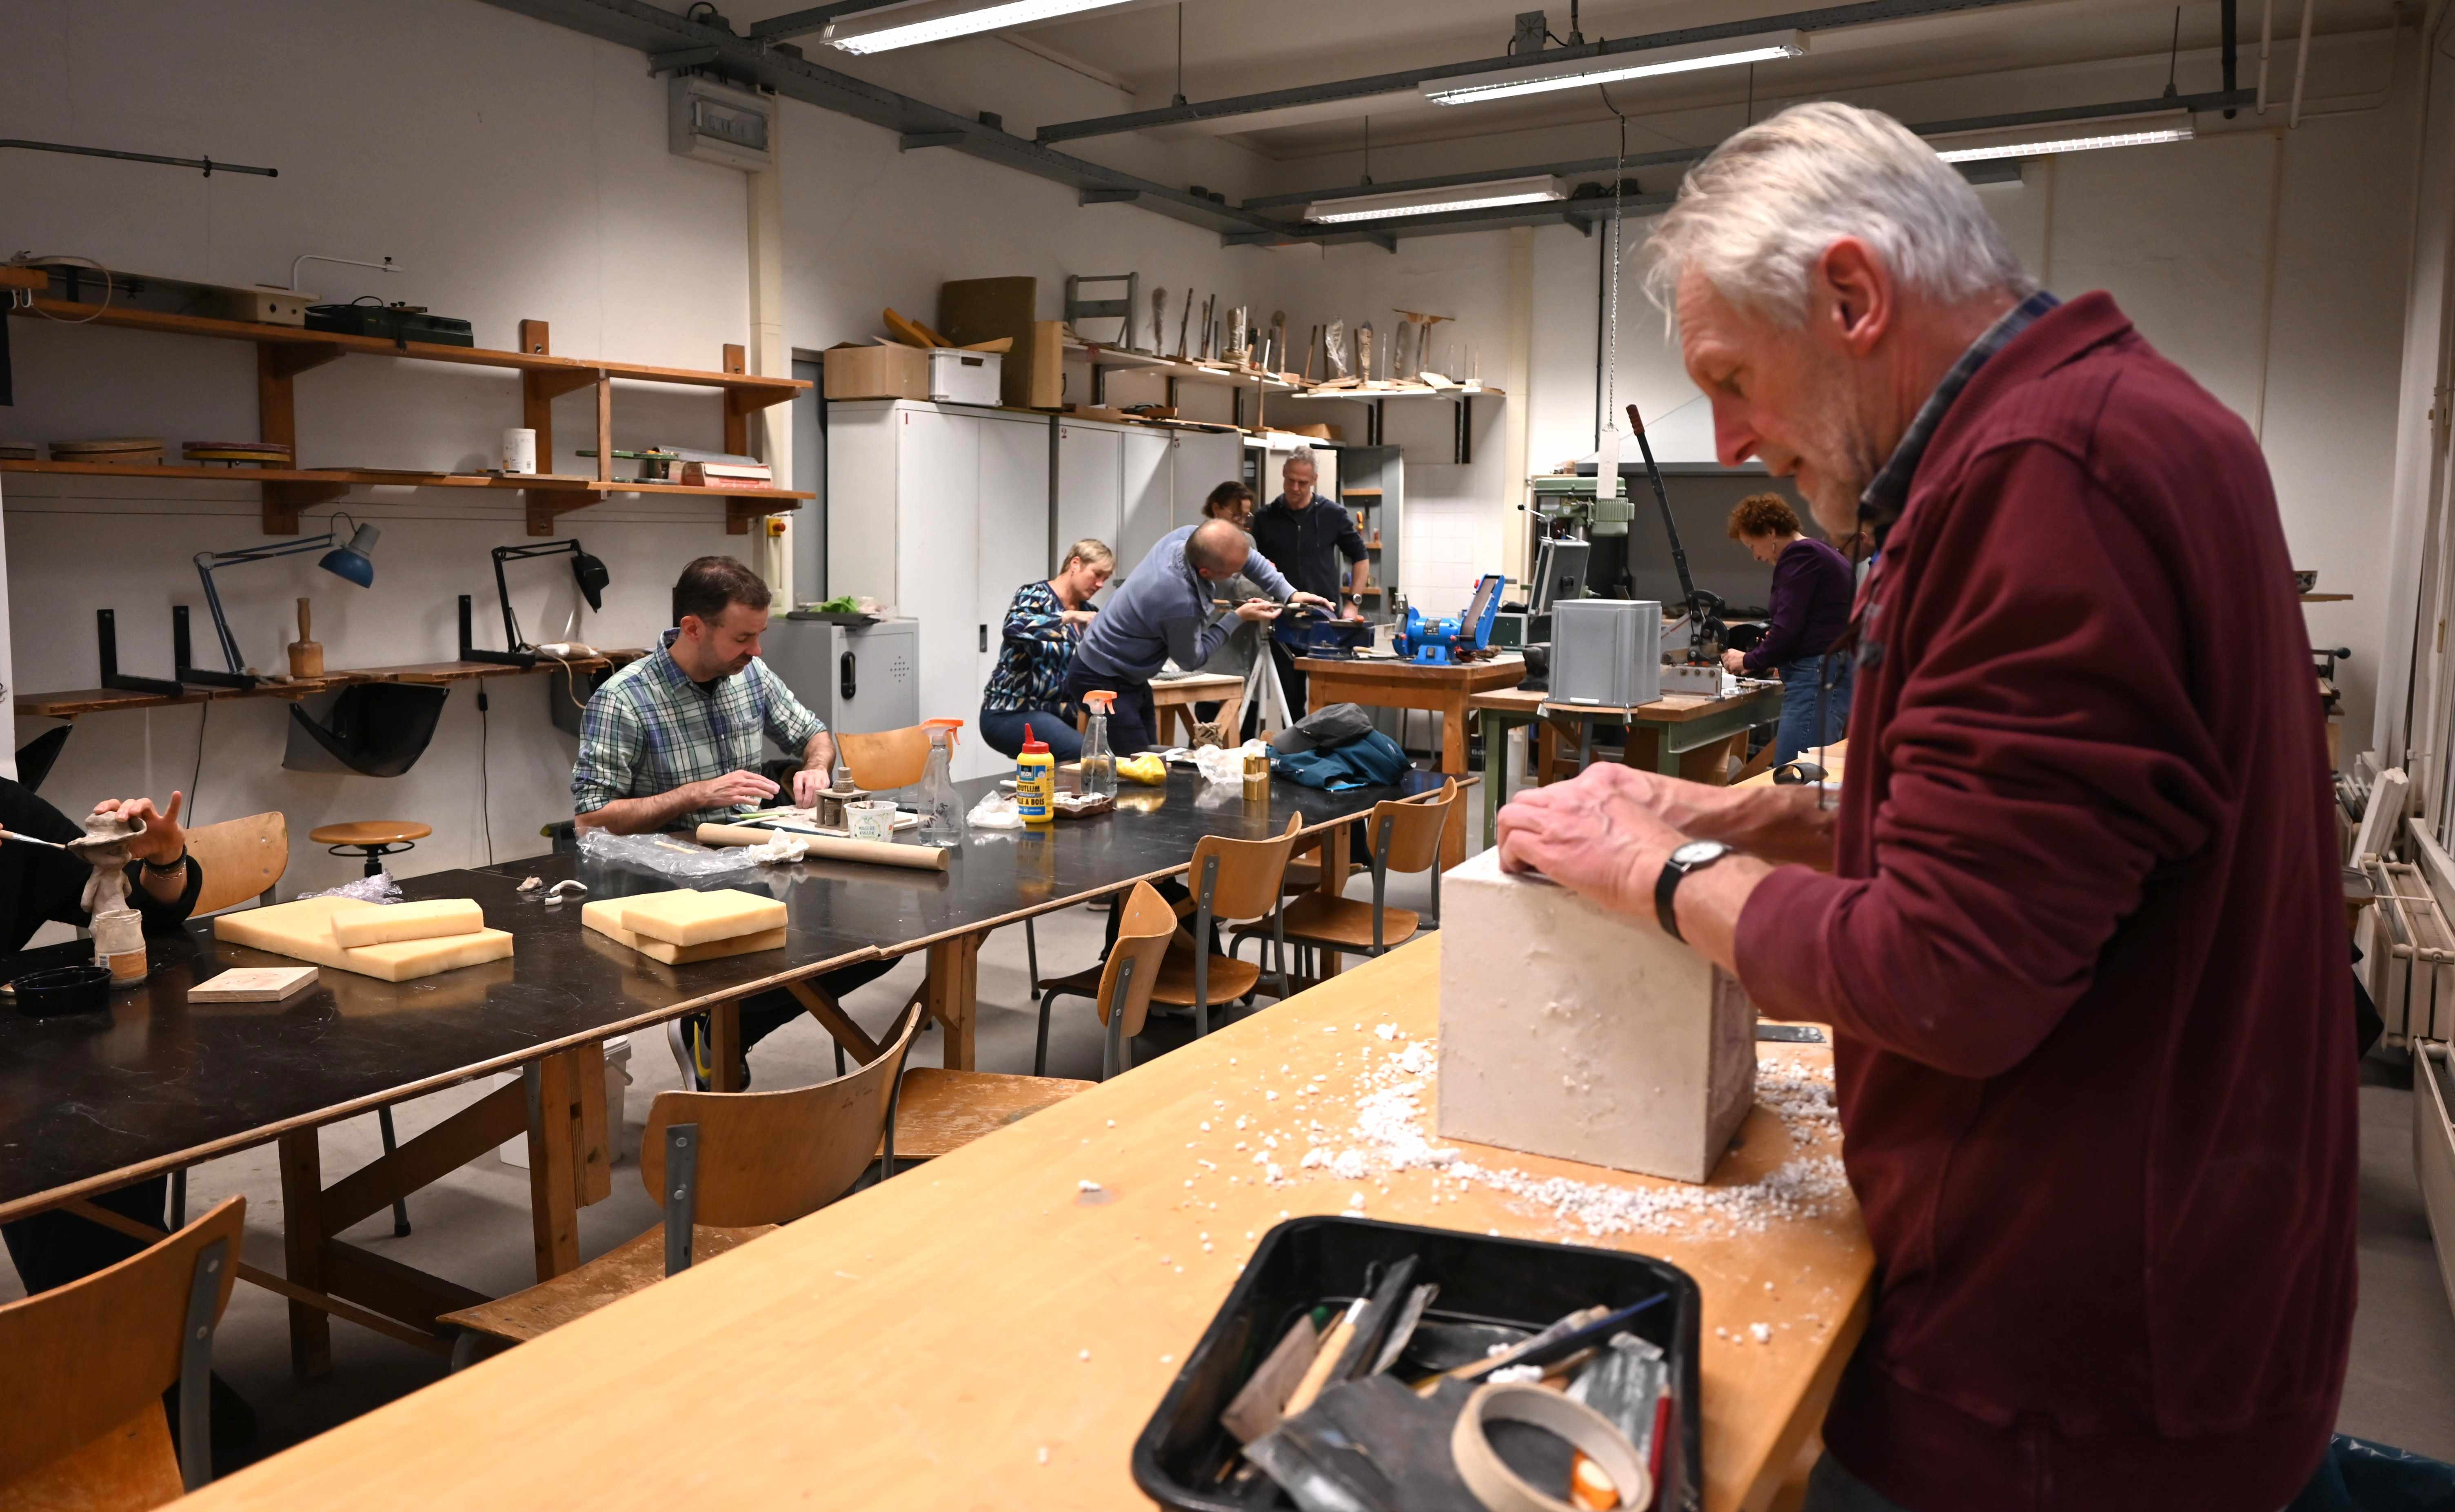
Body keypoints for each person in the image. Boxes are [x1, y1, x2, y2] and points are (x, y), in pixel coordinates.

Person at [1497, 102, 2351, 1512]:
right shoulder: (2109, 429)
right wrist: (1732, 816)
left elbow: (1950, 968)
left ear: (1851, 296)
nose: (1731, 437)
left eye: (1730, 378)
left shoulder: (2042, 483)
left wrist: (1652, 869)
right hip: (2171, 1300)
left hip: (2068, 1391)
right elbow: (2042, 842)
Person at [0, 781, 253, 1461]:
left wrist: (162, 862)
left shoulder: (7, 814)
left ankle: (152, 1399)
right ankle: (160, 1411)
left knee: (95, 1138)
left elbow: (145, 911)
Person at [572, 555, 892, 1088]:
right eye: (744, 637)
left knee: (878, 943)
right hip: (674, 879)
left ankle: (728, 1027)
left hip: (756, 860)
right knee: (813, 947)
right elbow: (590, 819)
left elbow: (814, 734)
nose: (757, 651)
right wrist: (697, 793)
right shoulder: (624, 700)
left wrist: (815, 768)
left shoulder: (751, 675)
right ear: (693, 628)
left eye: (759, 636)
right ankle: (717, 1025)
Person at [1061, 519, 1330, 754]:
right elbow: (1192, 659)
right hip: (1100, 677)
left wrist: (1290, 593)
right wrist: (1237, 617)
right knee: (1136, 766)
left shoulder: (1189, 537)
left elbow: (1248, 559)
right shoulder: (1179, 600)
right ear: (1206, 574)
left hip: (1130, 675)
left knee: (1149, 760)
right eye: (1233, 573)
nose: (1241, 573)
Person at [1720, 492, 1853, 764]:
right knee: (1810, 771)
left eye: (1752, 546)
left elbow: (1788, 627)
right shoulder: (1820, 551)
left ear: (1771, 532)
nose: (1755, 556)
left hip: (1815, 677)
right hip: (1830, 672)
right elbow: (1808, 621)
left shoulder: (1799, 555)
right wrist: (1780, 654)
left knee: (1794, 774)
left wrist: (1748, 660)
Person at [1250, 448, 1370, 718]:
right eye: (1291, 480)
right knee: (1290, 703)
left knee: (1329, 701)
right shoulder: (1265, 518)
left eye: (1303, 483)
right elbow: (1251, 566)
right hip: (1282, 621)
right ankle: (1296, 745)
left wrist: (1353, 603)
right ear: (1283, 474)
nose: (1295, 488)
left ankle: (1326, 746)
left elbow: (1361, 557)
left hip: (1325, 621)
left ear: (1315, 479)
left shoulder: (1333, 514)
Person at [980, 539, 1114, 761]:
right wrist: (1068, 617)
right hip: (1013, 710)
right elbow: (1014, 627)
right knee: (1083, 751)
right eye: (1097, 574)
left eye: (1106, 579)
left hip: (1064, 715)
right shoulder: (1035, 596)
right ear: (1075, 564)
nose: (1100, 584)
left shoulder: (1091, 612)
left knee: (1117, 746)